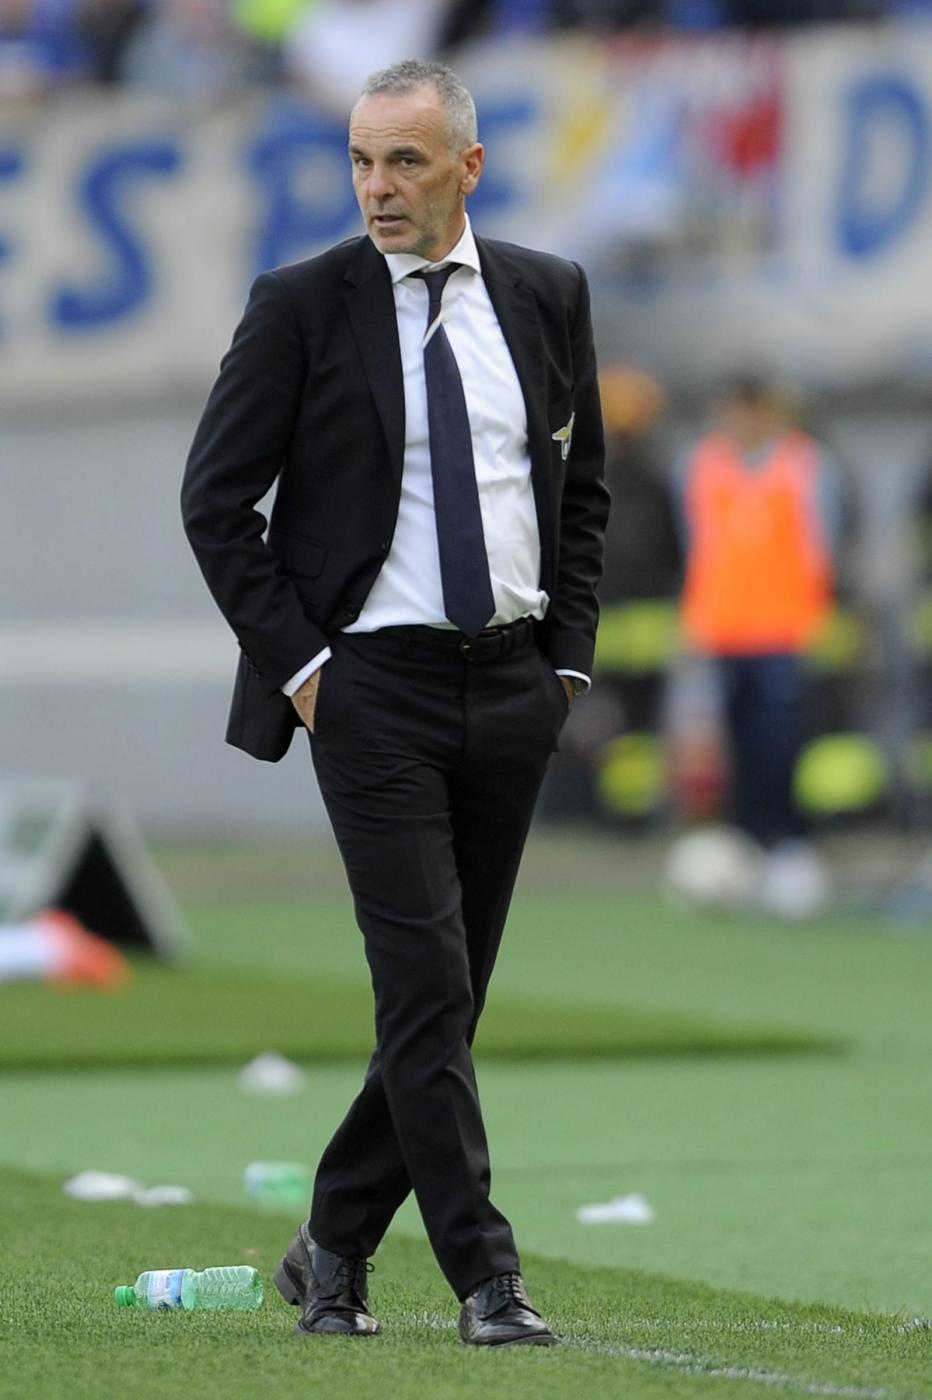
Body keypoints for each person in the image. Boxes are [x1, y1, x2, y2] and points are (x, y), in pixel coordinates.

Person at [181, 59, 607, 1346]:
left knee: (448, 995)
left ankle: (332, 1243)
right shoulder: (300, 304)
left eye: (406, 161)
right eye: (363, 160)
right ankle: (486, 1275)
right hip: (371, 692)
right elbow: (214, 502)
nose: (378, 186)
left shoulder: (547, 291)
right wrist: (307, 671)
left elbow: (578, 489)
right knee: (422, 986)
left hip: (513, 686)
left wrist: (566, 661)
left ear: (467, 168)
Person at [677, 376, 838, 909]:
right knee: (738, 746)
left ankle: (789, 844)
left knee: (781, 744)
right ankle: (746, 843)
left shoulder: (804, 465)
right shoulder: (703, 465)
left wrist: (819, 618)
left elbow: (822, 547)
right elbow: (698, 549)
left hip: (785, 632)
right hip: (724, 631)